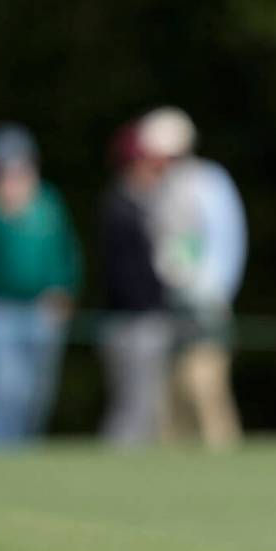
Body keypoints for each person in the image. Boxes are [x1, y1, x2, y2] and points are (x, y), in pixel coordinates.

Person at [139, 107, 247, 450]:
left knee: (206, 384)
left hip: (206, 300)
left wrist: (216, 291)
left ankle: (223, 452)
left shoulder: (209, 182)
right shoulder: (164, 188)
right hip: (171, 300)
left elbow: (228, 240)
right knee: (172, 391)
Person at [0, 123, 81, 447]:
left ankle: (25, 457)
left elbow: (66, 252)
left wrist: (64, 289)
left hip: (41, 311)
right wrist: (0, 215)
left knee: (36, 393)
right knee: (4, 388)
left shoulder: (47, 200)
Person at [98, 121, 173, 446]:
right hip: (131, 322)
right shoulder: (119, 208)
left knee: (145, 408)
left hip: (147, 319)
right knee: (132, 407)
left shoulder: (146, 206)